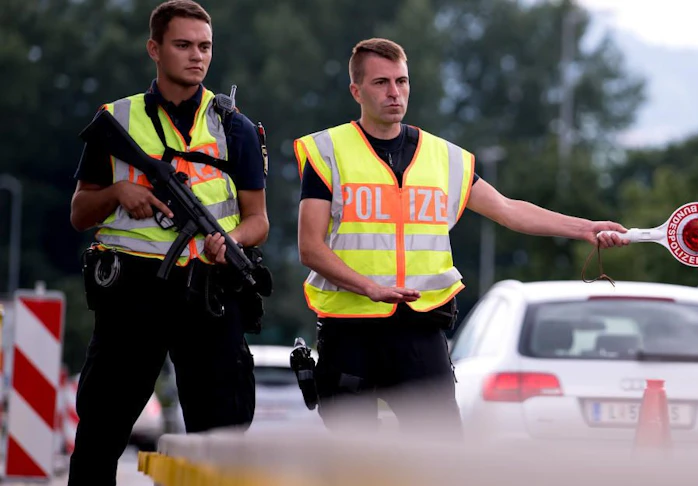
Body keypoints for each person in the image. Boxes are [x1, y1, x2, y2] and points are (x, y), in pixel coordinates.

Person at [294, 38, 629, 441]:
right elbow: (310, 248)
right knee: (354, 459)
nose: (394, 92)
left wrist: (586, 228)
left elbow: (508, 210)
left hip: (421, 329)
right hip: (350, 329)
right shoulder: (328, 151)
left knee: (441, 456)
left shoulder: (443, 157)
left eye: (402, 81)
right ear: (356, 90)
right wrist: (370, 288)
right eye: (381, 83)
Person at [67, 1, 268, 484]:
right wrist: (119, 193)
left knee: (221, 442)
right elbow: (79, 213)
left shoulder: (234, 127)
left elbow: (258, 219)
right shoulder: (116, 119)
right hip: (131, 297)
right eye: (183, 45)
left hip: (209, 293)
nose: (197, 56)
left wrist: (231, 241)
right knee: (99, 437)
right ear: (154, 49)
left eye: (205, 47)